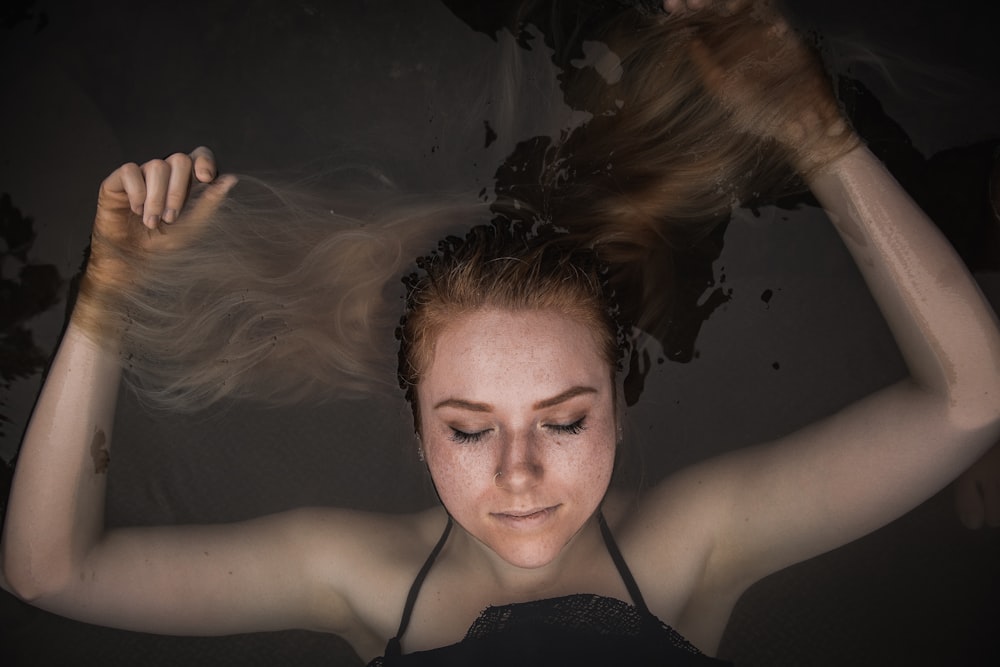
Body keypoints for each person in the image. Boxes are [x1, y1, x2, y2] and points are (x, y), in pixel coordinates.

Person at [3, 0, 999, 664]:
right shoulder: (360, 577)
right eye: (470, 428)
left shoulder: (693, 542)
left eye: (563, 420)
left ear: (620, 399)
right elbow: (51, 571)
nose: (517, 473)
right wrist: (108, 295)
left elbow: (969, 403)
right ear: (416, 430)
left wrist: (815, 132)